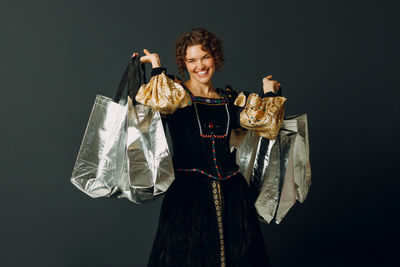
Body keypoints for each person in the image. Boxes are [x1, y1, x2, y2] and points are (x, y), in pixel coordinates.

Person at [133, 28, 286, 267]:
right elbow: (161, 101)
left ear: (215, 57)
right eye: (192, 60)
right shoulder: (176, 94)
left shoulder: (228, 101)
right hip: (188, 199)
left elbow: (264, 124)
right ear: (184, 64)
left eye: (205, 57)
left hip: (233, 197)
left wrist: (267, 92)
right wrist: (156, 66)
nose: (200, 66)